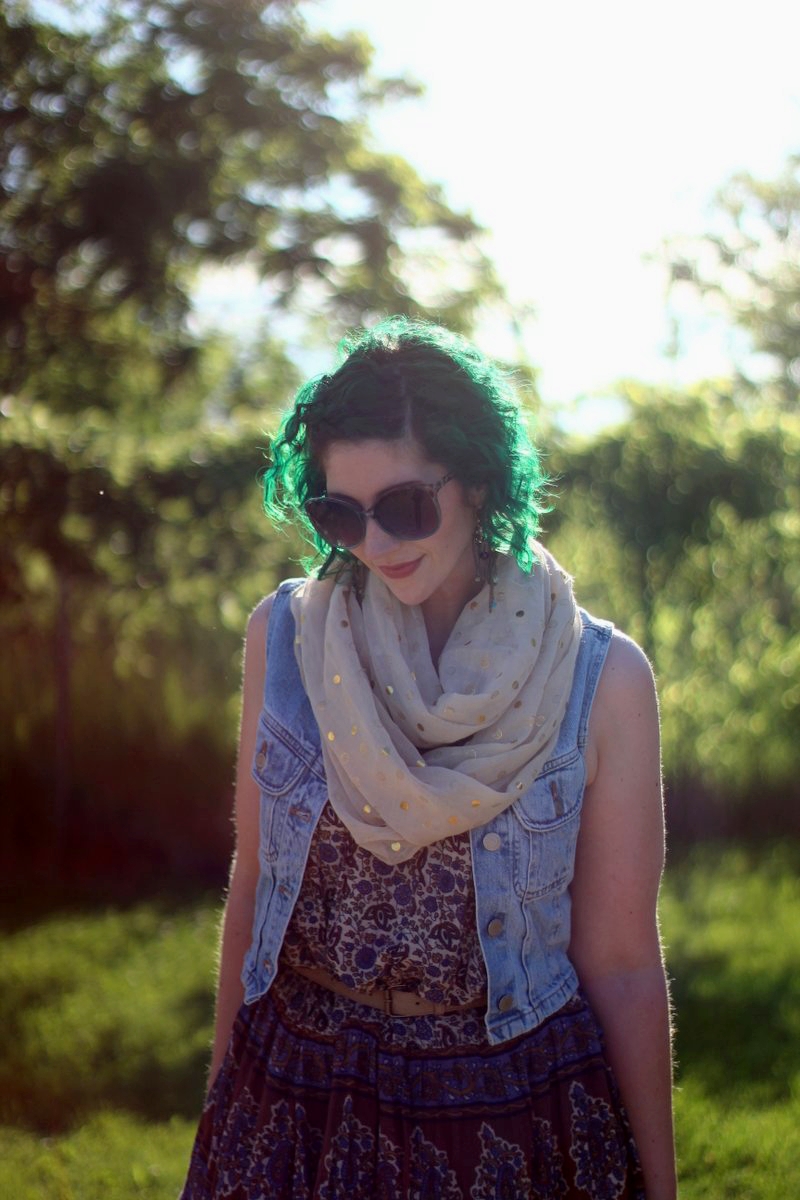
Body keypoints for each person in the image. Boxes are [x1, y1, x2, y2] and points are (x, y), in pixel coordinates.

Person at [180, 316, 676, 1199]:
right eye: (341, 514)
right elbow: (252, 888)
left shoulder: (602, 680)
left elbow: (624, 964)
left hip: (518, 1119)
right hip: (297, 1102)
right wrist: (223, 1120)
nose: (375, 545)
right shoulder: (285, 639)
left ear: (479, 479)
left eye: (406, 506)